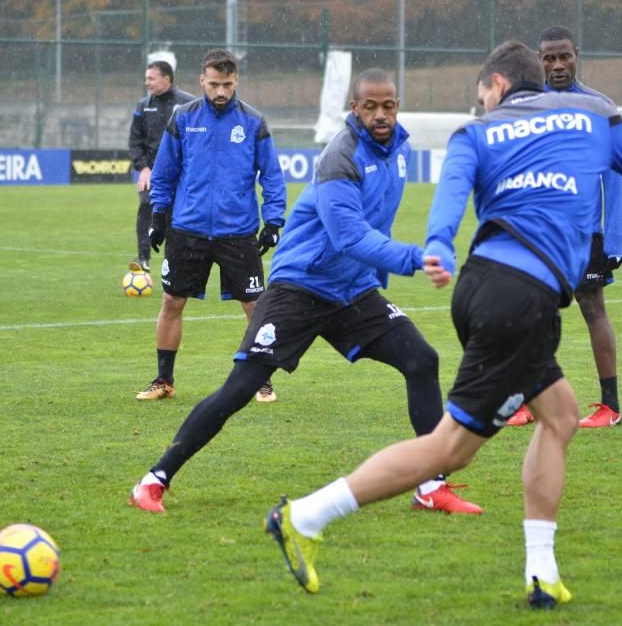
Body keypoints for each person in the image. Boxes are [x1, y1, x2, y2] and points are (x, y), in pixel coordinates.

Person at [265, 41, 622, 607]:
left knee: (558, 414)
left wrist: (436, 245)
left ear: (500, 85)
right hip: (522, 301)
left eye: (480, 92)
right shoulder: (598, 117)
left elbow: (449, 204)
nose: (479, 102)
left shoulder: (476, 134)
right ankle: (305, 516)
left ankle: (540, 570)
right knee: (449, 450)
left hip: (483, 288)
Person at [130, 68, 482, 516]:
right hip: (300, 286)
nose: (380, 114)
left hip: (352, 290)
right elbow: (350, 236)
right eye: (369, 106)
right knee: (240, 388)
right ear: (354, 108)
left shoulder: (399, 149)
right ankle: (154, 479)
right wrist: (415, 258)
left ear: (397, 106)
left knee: (422, 360)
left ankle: (431, 486)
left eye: (388, 105)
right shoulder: (341, 157)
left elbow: (378, 221)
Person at [135, 49, 286, 404]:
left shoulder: (252, 122)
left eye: (228, 85)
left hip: (238, 231)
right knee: (172, 301)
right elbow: (165, 172)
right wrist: (159, 216)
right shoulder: (184, 118)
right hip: (188, 229)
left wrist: (274, 221)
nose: (221, 92)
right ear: (202, 81)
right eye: (215, 84)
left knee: (255, 307)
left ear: (237, 82)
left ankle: (261, 381)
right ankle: (163, 380)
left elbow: (273, 176)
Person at [508, 25, 622, 428]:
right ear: (539, 60)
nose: (557, 65)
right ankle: (525, 403)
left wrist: (614, 240)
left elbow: (614, 176)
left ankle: (610, 406)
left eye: (564, 57)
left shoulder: (598, 107)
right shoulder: (525, 104)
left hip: (582, 233)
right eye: (548, 58)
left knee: (592, 309)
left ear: (577, 54)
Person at [127, 60, 195, 273]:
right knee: (147, 206)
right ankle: (143, 259)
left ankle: (173, 262)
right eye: (146, 78)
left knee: (175, 216)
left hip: (181, 173)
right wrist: (143, 167)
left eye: (151, 78)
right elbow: (135, 140)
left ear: (167, 78)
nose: (146, 82)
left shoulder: (188, 104)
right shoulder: (143, 105)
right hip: (152, 172)